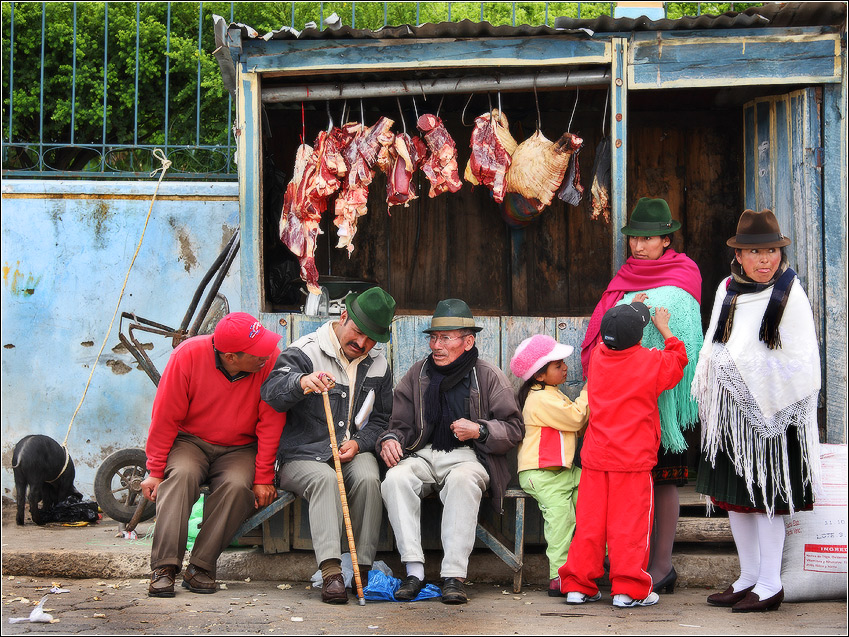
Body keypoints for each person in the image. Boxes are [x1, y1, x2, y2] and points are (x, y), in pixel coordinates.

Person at [693, 209, 823, 613]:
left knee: (765, 499)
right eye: (754, 252)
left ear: (780, 254)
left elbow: (802, 360)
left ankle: (770, 584)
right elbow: (716, 347)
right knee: (736, 500)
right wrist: (720, 371)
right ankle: (748, 575)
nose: (764, 259)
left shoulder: (790, 294)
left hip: (772, 417)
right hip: (733, 418)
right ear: (739, 256)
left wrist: (741, 368)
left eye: (770, 250)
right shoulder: (727, 291)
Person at [580, 197, 703, 593]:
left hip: (665, 404)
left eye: (648, 239)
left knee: (665, 481)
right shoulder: (625, 277)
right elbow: (604, 332)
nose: (638, 247)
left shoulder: (685, 274)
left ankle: (660, 566)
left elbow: (689, 332)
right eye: (634, 239)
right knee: (623, 491)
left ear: (667, 240)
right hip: (625, 411)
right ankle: (625, 569)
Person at [377, 299, 524, 605]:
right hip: (422, 454)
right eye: (433, 338)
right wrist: (391, 439)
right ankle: (414, 571)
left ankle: (453, 577)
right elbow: (399, 423)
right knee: (395, 479)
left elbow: (513, 428)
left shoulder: (487, 375)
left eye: (445, 338)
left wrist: (480, 429)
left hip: (469, 457)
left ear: (468, 342)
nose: (436, 345)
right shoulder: (418, 374)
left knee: (461, 481)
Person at [260, 286, 396, 605]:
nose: (362, 344)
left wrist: (360, 443)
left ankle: (360, 569)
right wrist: (300, 382)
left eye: (371, 339)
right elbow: (271, 393)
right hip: (302, 455)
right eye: (358, 332)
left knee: (368, 477)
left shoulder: (378, 365)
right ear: (343, 316)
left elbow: (382, 419)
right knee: (325, 479)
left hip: (349, 450)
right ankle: (332, 573)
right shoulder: (305, 351)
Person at [141, 312, 286, 598]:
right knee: (180, 477)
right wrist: (155, 470)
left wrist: (263, 476)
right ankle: (164, 567)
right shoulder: (188, 356)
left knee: (236, 487)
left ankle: (201, 567)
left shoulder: (269, 361)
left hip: (241, 447)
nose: (267, 354)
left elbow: (271, 422)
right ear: (230, 357)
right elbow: (164, 417)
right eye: (258, 352)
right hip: (190, 442)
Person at [560, 300, 688, 608]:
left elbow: (615, 338)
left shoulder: (598, 359)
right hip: (631, 461)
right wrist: (666, 329)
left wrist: (630, 309)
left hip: (595, 458)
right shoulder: (650, 363)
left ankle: (578, 586)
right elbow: (679, 359)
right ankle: (628, 589)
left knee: (589, 525)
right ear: (640, 338)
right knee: (629, 527)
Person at [509, 334, 589, 597]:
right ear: (539, 376)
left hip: (560, 471)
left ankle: (597, 560)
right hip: (542, 473)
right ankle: (559, 576)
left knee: (593, 501)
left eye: (563, 362)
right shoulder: (541, 399)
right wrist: (590, 390)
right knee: (561, 521)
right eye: (558, 365)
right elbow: (576, 420)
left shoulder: (550, 393)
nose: (565, 367)